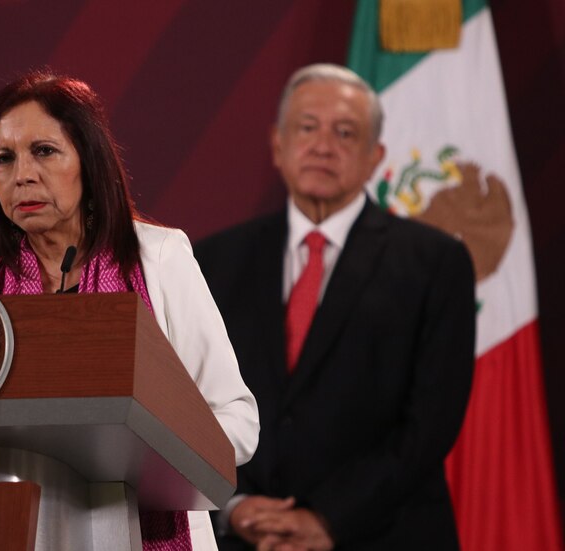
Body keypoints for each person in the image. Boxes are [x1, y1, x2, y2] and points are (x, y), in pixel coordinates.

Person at [0, 69, 259, 550]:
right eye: (3, 159)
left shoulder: (159, 257)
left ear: (88, 162)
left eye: (44, 151)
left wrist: (144, 454)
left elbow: (236, 420)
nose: (23, 174)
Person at [194, 64, 475, 550]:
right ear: (278, 145)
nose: (323, 145)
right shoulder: (212, 260)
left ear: (375, 157)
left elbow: (429, 425)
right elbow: (185, 402)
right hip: (244, 537)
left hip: (383, 534)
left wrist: (328, 519)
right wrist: (234, 504)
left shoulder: (436, 263)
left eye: (345, 132)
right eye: (307, 128)